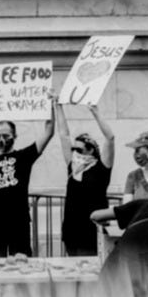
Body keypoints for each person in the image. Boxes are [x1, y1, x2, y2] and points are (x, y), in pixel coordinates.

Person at [0, 93, 56, 257]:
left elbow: (49, 131)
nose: (1, 140)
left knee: (22, 261)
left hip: (18, 220)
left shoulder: (23, 157)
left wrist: (50, 105)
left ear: (14, 137)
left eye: (5, 136)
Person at [55, 103, 114, 256]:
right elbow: (64, 135)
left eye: (79, 149)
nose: (75, 153)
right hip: (71, 231)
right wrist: (58, 106)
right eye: (73, 149)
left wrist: (96, 113)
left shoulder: (101, 168)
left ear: (91, 150)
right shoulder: (73, 166)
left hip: (91, 232)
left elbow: (110, 138)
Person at [123, 131, 148, 202]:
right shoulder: (133, 176)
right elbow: (127, 205)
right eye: (135, 151)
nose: (135, 155)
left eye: (138, 150)